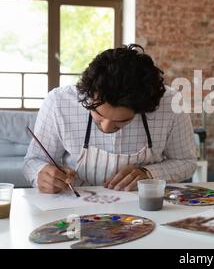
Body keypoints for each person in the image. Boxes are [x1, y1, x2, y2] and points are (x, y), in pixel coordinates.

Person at [24, 44, 197, 193]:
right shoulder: (58, 102)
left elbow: (186, 162)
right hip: (75, 208)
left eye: (121, 122)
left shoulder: (170, 104)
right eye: (98, 115)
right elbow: (33, 161)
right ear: (88, 95)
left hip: (143, 206)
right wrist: (41, 173)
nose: (106, 127)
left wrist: (149, 174)